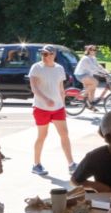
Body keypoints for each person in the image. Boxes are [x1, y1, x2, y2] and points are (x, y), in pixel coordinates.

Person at [29, 45, 76, 177]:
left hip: (58, 108)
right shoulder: (36, 67)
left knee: (64, 134)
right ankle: (36, 164)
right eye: (42, 54)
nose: (43, 56)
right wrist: (46, 99)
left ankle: (71, 163)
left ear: (53, 55)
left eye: (46, 54)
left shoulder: (59, 68)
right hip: (41, 107)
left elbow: (61, 88)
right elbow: (34, 88)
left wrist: (63, 106)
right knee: (42, 136)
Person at [75, 45, 110, 110]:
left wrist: (105, 71)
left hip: (87, 75)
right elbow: (93, 69)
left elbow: (98, 66)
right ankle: (83, 94)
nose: (95, 51)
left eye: (95, 50)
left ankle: (91, 106)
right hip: (80, 75)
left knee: (93, 89)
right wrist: (102, 74)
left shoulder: (93, 58)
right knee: (95, 82)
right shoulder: (86, 58)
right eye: (93, 50)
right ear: (89, 51)